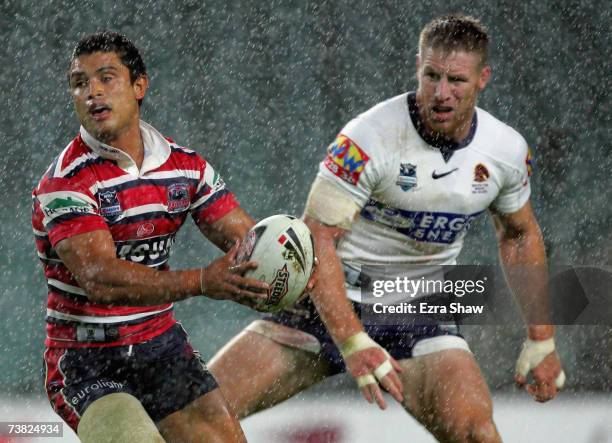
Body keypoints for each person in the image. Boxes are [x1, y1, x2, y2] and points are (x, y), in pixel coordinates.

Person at [209, 14, 565, 442]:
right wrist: (353, 340)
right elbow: (317, 236)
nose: (440, 93)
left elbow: (519, 233)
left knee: (478, 436)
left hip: (420, 309)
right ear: (418, 66)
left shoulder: (505, 150)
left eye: (456, 80)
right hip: (325, 302)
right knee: (191, 417)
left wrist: (541, 338)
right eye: (431, 75)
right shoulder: (367, 138)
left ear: (483, 78)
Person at [32, 31, 271, 443]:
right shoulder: (65, 183)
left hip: (161, 348)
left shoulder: (186, 167)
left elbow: (249, 242)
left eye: (107, 78)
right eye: (80, 83)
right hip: (87, 360)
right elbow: (100, 279)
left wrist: (280, 268)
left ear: (139, 86)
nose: (93, 93)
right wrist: (201, 281)